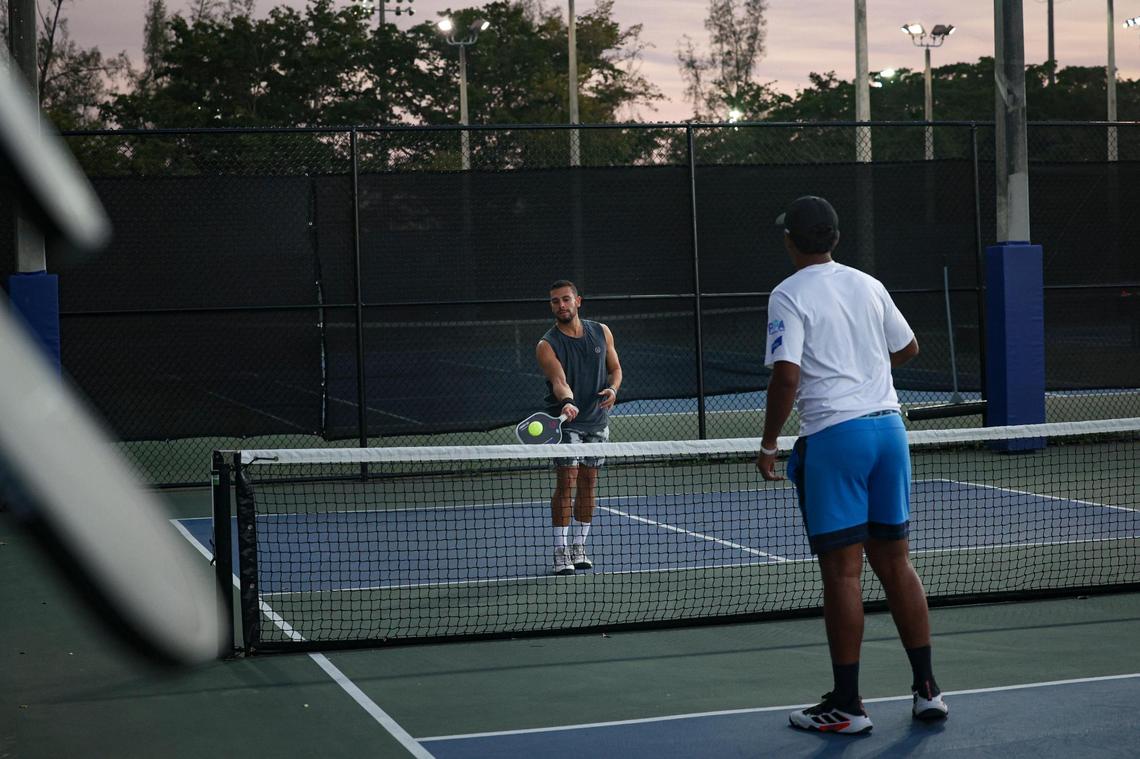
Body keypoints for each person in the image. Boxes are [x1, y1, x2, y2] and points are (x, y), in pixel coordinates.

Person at [756, 196, 948, 734]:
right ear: (835, 238)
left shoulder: (787, 293)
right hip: (890, 432)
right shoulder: (869, 283)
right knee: (897, 563)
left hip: (836, 439)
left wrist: (769, 443)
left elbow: (787, 378)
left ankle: (847, 705)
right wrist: (864, 369)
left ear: (792, 240)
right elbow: (908, 347)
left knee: (842, 573)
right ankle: (927, 690)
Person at [536, 279, 623, 575]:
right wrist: (568, 401)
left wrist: (613, 389)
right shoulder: (547, 344)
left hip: (598, 421)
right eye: (555, 301)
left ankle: (579, 546)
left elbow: (616, 369)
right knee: (567, 481)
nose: (560, 305)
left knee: (589, 482)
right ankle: (561, 551)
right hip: (566, 423)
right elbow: (559, 381)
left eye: (565, 299)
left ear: (578, 301)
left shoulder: (601, 332)